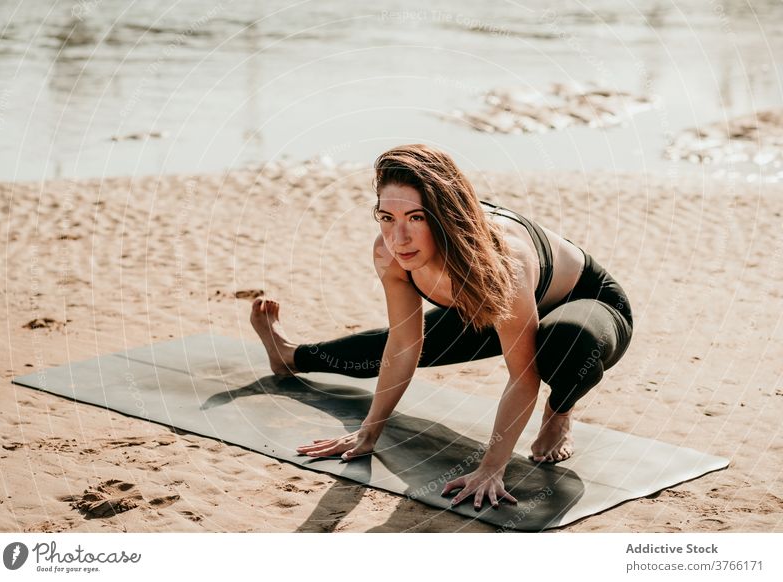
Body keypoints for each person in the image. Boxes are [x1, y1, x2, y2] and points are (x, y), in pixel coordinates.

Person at [251, 144, 633, 510]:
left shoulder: (505, 258)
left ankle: (560, 410)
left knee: (562, 343)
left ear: (446, 214)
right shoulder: (391, 253)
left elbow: (522, 375)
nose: (399, 237)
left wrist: (491, 468)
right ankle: (290, 356)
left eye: (416, 218)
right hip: (485, 299)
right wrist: (370, 431)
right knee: (388, 344)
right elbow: (403, 345)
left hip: (585, 303)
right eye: (387, 217)